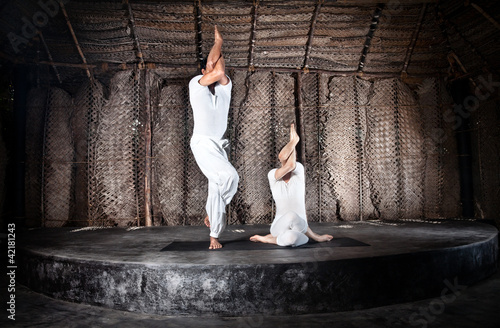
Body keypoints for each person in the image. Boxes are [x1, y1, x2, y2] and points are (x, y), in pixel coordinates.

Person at [189, 26, 239, 249]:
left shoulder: (225, 89)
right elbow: (215, 71)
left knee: (216, 188)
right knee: (229, 177)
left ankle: (213, 235)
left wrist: (219, 54)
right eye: (208, 66)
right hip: (202, 144)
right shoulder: (195, 85)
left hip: (219, 146)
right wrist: (218, 42)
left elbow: (220, 70)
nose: (215, 68)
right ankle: (212, 213)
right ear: (202, 72)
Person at [250, 124, 333, 247]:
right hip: (279, 225)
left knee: (291, 239)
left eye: (290, 157)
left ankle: (268, 239)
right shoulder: (272, 174)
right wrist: (294, 141)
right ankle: (313, 237)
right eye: (286, 158)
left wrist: (292, 143)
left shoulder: (298, 170)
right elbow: (286, 161)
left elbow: (291, 165)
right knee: (290, 215)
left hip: (300, 226)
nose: (288, 160)